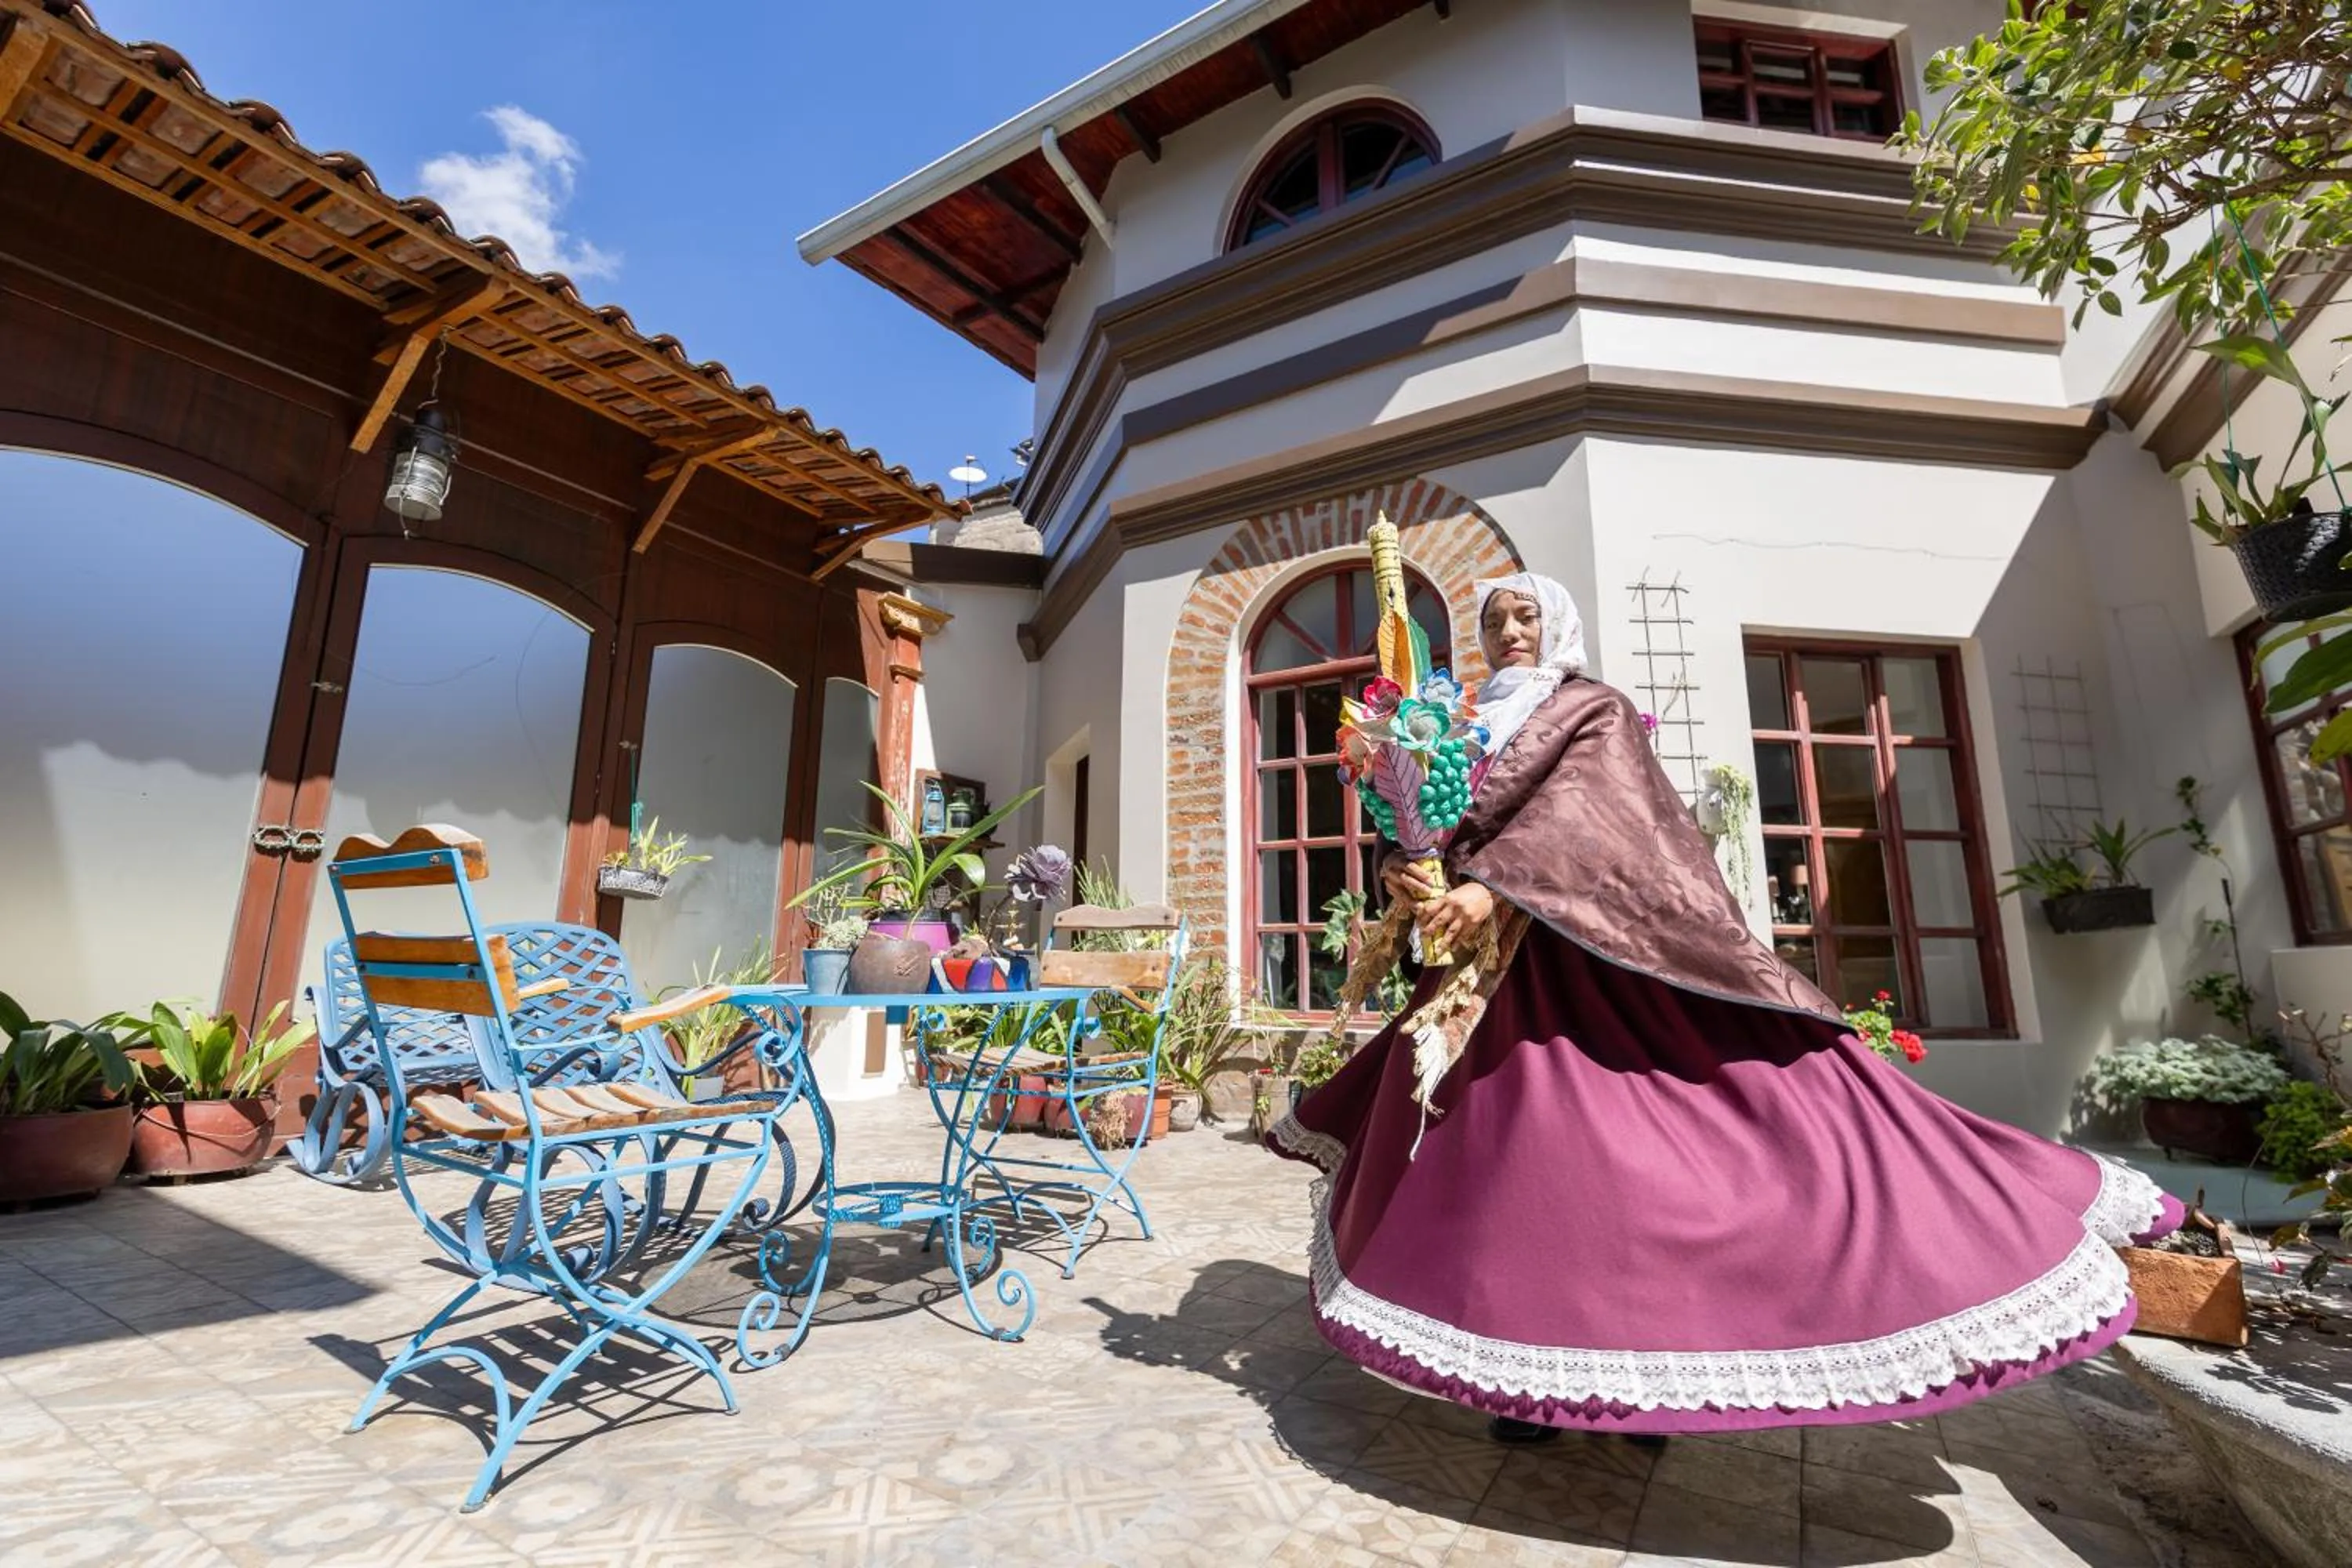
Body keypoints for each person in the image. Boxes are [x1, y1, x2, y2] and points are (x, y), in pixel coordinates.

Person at [1267, 571, 2180, 1445]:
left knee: (1635, 1175)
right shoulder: (1460, 720)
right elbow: (1434, 819)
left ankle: (1653, 1374)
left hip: (1594, 973)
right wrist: (1407, 866)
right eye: (1496, 620)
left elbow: (1597, 827)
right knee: (1522, 1186)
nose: (1509, 633)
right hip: (1487, 991)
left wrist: (1496, 893)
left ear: (1559, 625)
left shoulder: (1594, 709)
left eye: (1525, 617)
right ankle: (1536, 1374)